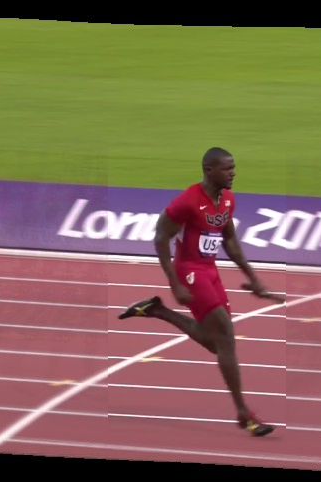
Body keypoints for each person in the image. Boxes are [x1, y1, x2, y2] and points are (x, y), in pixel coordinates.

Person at [117, 147, 284, 437]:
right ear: (209, 170)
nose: (233, 173)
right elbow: (160, 238)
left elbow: (229, 240)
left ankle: (158, 310)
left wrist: (254, 278)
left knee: (216, 343)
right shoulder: (187, 201)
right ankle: (244, 413)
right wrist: (174, 283)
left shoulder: (228, 199)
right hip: (190, 271)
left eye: (233, 167)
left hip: (210, 270)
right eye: (227, 168)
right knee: (225, 335)